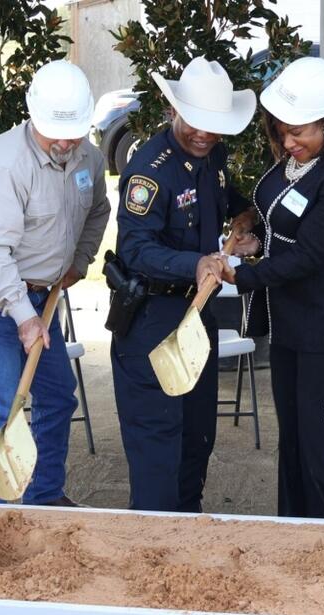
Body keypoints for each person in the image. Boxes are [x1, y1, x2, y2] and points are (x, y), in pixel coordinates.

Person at [0, 60, 110, 505]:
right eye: (54, 131)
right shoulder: (3, 166)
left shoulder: (87, 157)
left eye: (73, 131)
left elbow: (97, 209)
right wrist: (23, 316)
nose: (63, 142)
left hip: (42, 295)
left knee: (57, 398)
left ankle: (44, 498)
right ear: (33, 116)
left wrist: (79, 260)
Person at [220, 57, 324, 519]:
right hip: (287, 310)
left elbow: (308, 254)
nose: (288, 142)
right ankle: (291, 521)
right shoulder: (292, 163)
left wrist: (243, 276)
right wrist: (252, 237)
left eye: (299, 132)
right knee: (291, 425)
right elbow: (278, 224)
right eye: (282, 131)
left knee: (317, 425)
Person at [110, 57, 257, 513]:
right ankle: (154, 547)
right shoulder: (149, 170)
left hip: (199, 314)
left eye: (213, 126)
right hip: (153, 317)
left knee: (198, 434)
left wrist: (244, 213)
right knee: (158, 444)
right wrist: (195, 262)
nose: (203, 134)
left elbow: (222, 195)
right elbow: (135, 247)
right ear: (173, 110)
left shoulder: (213, 154)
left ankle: (187, 533)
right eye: (195, 122)